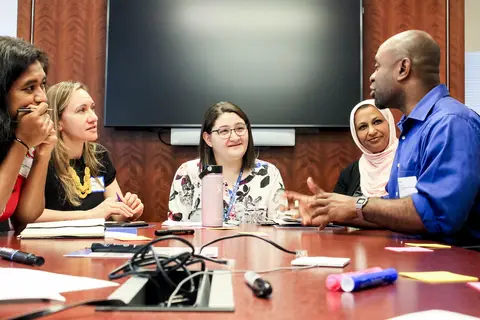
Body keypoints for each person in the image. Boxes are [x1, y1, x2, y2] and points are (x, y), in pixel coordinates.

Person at [285, 30, 480, 246]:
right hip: (415, 258)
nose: (372, 76)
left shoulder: (451, 122)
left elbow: (438, 214)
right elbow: (395, 210)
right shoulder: (412, 129)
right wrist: (331, 209)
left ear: (403, 69)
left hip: (453, 267)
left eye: (378, 66)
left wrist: (357, 204)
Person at [36, 81, 143, 222]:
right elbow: (29, 217)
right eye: (82, 110)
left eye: (92, 108)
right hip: (54, 243)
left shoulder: (99, 155)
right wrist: (91, 215)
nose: (94, 117)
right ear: (59, 121)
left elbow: (117, 214)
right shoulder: (42, 157)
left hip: (95, 242)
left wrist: (130, 210)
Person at [168, 101, 285, 224]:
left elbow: (280, 229)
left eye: (240, 128)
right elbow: (177, 230)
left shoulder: (268, 173)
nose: (235, 137)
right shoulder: (187, 173)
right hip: (203, 243)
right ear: (208, 139)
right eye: (224, 131)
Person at [0, 36, 57, 231]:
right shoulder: (21, 138)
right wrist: (22, 142)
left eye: (42, 85)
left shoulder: (17, 133)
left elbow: (25, 218)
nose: (42, 98)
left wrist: (43, 153)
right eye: (29, 88)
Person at [334, 99, 398, 197]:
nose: (372, 131)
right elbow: (335, 209)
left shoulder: (411, 161)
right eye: (363, 127)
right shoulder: (349, 174)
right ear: (356, 135)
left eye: (377, 122)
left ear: (389, 122)